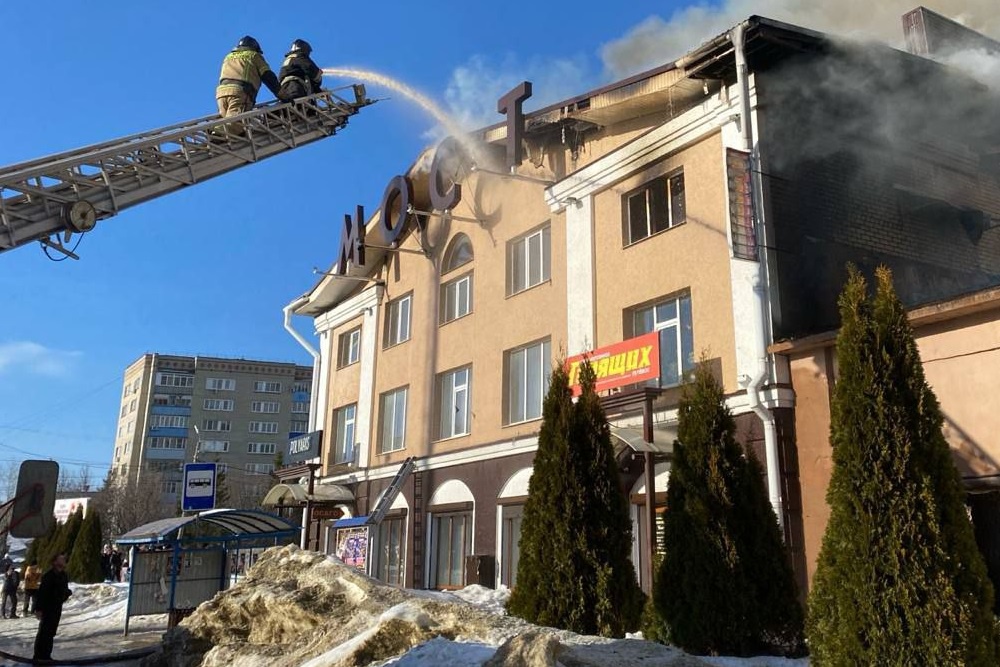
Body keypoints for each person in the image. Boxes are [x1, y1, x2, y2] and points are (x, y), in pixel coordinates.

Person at [215, 36, 281, 135]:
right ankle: (217, 133)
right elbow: (268, 76)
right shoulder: (254, 56)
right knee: (236, 123)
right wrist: (281, 94)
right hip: (240, 93)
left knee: (225, 120)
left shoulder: (228, 57)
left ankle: (214, 131)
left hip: (221, 93)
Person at [33, 553, 72, 662]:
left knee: (51, 632)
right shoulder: (49, 576)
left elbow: (63, 591)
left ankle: (46, 656)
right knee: (44, 632)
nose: (64, 560)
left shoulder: (63, 575)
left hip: (57, 607)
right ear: (55, 562)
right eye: (61, 559)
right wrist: (38, 609)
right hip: (47, 607)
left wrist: (67, 593)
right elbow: (42, 593)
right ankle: (39, 656)